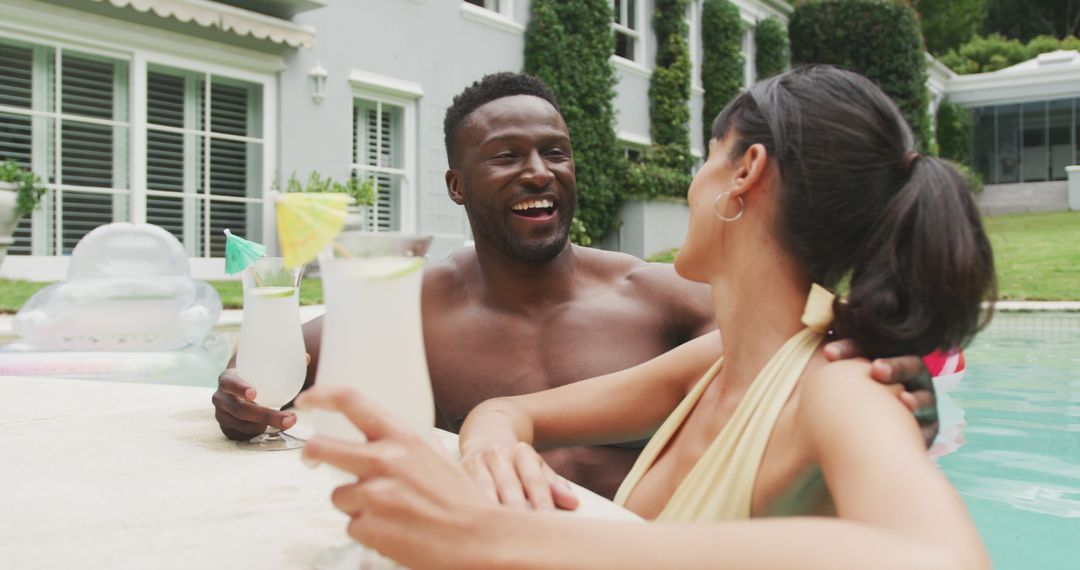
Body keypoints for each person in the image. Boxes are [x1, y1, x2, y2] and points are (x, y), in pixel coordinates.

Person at [297, 65, 996, 569]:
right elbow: (508, 410)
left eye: (705, 159)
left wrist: (489, 536)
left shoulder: (842, 384)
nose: (692, 185)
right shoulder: (716, 364)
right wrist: (491, 453)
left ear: (745, 173)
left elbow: (940, 558)